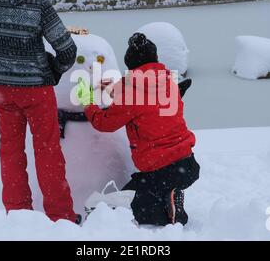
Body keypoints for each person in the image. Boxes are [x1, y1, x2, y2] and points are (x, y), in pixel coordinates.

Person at [0, 0, 80, 224]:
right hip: (35, 90)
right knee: (47, 151)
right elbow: (68, 50)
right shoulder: (38, 4)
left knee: (10, 150)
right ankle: (61, 216)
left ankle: (18, 214)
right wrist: (53, 69)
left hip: (1, 88)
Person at [78, 33, 200, 226]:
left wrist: (87, 102)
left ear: (131, 64)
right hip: (186, 162)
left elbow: (104, 123)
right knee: (138, 199)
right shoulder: (168, 80)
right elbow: (139, 93)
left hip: (160, 168)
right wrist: (109, 87)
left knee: (130, 211)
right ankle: (171, 192)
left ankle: (169, 205)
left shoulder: (131, 92)